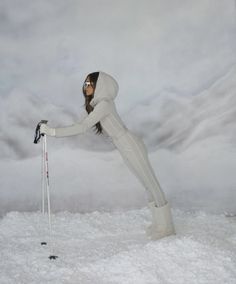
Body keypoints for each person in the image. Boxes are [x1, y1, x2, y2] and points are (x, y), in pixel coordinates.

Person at [40, 71, 175, 239]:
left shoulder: (104, 104)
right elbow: (79, 124)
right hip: (123, 145)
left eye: (89, 83)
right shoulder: (97, 105)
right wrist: (52, 130)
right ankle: (159, 224)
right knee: (146, 184)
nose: (85, 87)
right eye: (85, 83)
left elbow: (82, 127)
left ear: (100, 85)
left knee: (151, 182)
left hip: (129, 143)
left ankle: (166, 227)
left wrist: (52, 132)